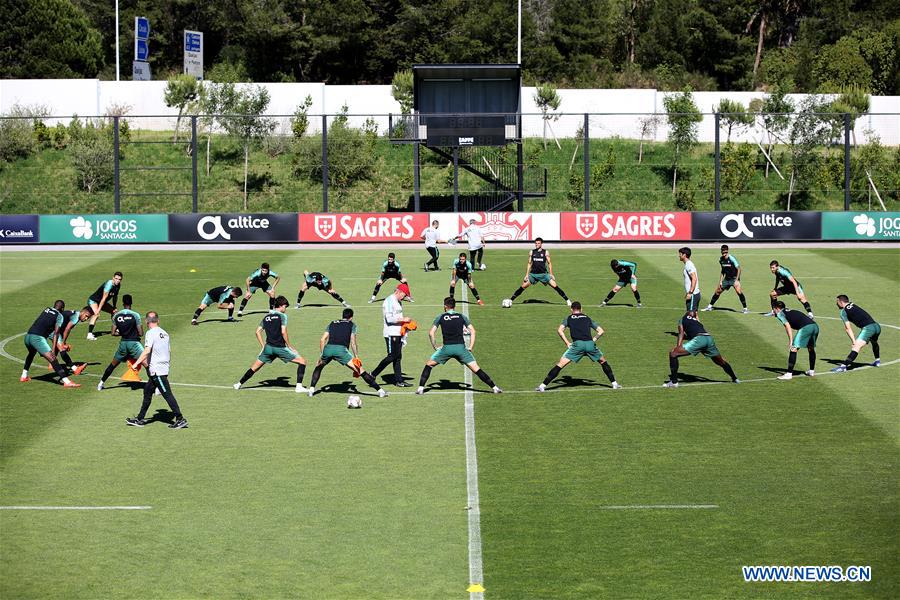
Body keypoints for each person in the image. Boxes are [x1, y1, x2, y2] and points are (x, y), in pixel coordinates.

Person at [416, 297, 501, 395]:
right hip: (461, 349)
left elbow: (431, 333)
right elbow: (473, 331)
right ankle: (495, 388)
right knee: (476, 369)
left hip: (446, 349)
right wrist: (470, 347)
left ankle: (420, 388)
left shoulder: (440, 317)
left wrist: (435, 346)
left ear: (445, 306)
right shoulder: (461, 316)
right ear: (454, 306)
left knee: (429, 365)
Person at [536, 302, 621, 391]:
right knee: (603, 362)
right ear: (581, 309)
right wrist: (593, 340)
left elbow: (560, 330)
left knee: (560, 364)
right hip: (590, 344)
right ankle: (614, 384)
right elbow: (601, 331)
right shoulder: (587, 318)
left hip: (578, 345)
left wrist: (567, 343)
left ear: (571, 309)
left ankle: (543, 386)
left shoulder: (569, 318)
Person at [125, 311, 188, 429]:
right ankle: (139, 419)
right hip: (162, 368)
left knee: (167, 394)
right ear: (158, 320)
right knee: (147, 392)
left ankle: (180, 419)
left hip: (157, 370)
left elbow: (147, 350)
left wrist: (136, 364)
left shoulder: (150, 333)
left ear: (146, 321)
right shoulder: (165, 333)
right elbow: (168, 351)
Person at [307, 308, 388, 398]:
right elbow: (353, 342)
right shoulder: (352, 325)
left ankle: (311, 390)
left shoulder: (332, 323)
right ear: (351, 317)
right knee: (360, 370)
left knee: (318, 367)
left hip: (328, 349)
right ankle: (380, 391)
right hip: (341, 351)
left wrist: (323, 355)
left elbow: (322, 339)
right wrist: (356, 356)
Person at [233, 296, 308, 392]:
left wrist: (263, 346)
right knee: (302, 362)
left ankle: (238, 384)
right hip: (279, 348)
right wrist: (289, 346)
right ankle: (299, 387)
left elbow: (257, 332)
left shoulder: (266, 317)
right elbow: (283, 332)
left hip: (268, 348)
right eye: (285, 306)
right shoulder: (282, 316)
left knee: (254, 368)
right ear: (281, 305)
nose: (285, 309)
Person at [663, 312, 740, 388]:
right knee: (720, 361)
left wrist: (678, 348)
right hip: (709, 339)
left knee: (673, 353)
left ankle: (674, 382)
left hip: (699, 340)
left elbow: (681, 334)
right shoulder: (697, 321)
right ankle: (735, 378)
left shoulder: (682, 320)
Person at [19, 300, 81, 387]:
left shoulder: (46, 309)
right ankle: (67, 382)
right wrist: (53, 349)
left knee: (31, 354)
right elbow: (56, 333)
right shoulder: (59, 316)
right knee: (53, 359)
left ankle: (24, 376)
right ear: (62, 309)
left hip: (28, 336)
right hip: (37, 339)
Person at [506, 238, 571, 306]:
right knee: (523, 286)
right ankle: (511, 300)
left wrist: (551, 274)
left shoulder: (545, 252)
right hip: (533, 274)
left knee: (555, 286)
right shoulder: (532, 252)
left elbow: (549, 263)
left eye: (538, 243)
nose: (537, 244)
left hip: (544, 274)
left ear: (541, 244)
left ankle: (567, 300)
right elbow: (529, 263)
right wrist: (526, 275)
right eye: (536, 243)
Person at [97, 294, 143, 390]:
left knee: (113, 364)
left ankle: (101, 383)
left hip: (123, 344)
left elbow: (113, 333)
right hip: (134, 344)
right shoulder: (135, 315)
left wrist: (122, 332)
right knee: (147, 362)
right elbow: (141, 333)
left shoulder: (116, 316)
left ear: (123, 303)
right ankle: (157, 387)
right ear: (131, 303)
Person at [370, 283, 412, 386]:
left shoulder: (398, 301)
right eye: (405, 295)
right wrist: (404, 319)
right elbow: (389, 319)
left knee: (398, 357)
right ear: (399, 291)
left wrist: (405, 325)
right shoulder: (389, 301)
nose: (405, 297)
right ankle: (373, 374)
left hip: (398, 332)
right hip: (390, 333)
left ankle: (399, 381)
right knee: (392, 356)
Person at [831, 295, 881, 372]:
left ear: (841, 302)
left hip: (868, 329)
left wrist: (854, 341)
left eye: (837, 302)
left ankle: (843, 367)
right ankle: (877, 361)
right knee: (874, 342)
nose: (836, 304)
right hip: (876, 326)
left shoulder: (844, 312)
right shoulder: (852, 304)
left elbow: (848, 328)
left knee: (856, 347)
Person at [772, 301, 819, 380]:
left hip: (806, 328)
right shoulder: (788, 310)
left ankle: (789, 374)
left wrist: (790, 340)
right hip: (815, 326)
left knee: (793, 349)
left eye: (774, 309)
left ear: (777, 308)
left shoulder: (780, 314)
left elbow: (787, 326)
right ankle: (811, 371)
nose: (773, 311)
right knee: (811, 348)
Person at [702, 245, 748, 313]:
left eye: (725, 252)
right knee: (717, 291)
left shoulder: (731, 258)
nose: (724, 253)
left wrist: (737, 280)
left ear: (727, 251)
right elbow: (723, 271)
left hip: (734, 278)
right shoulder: (721, 260)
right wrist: (720, 281)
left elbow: (739, 269)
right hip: (726, 279)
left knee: (739, 292)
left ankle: (745, 308)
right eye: (723, 252)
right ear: (721, 251)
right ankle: (709, 306)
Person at [50, 305, 92, 376]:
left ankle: (51, 364)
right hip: (52, 329)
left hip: (56, 328)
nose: (86, 319)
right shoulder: (76, 317)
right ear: (83, 312)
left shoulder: (75, 314)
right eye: (86, 316)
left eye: (88, 318)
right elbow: (67, 329)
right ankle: (75, 369)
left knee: (59, 347)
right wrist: (63, 343)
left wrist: (63, 342)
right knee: (62, 348)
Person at [86, 271, 122, 340]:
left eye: (119, 279)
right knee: (96, 314)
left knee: (114, 312)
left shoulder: (118, 285)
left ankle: (116, 329)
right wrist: (98, 310)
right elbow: (103, 298)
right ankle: (89, 334)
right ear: (113, 278)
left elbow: (115, 296)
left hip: (102, 302)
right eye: (116, 278)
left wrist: (114, 306)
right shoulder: (109, 285)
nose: (117, 280)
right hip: (94, 301)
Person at [679, 247, 701, 313]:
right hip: (694, 294)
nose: (679, 256)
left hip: (693, 294)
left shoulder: (689, 265)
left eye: (680, 254)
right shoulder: (688, 264)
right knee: (694, 315)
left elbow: (694, 278)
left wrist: (690, 292)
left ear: (684, 255)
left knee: (690, 315)